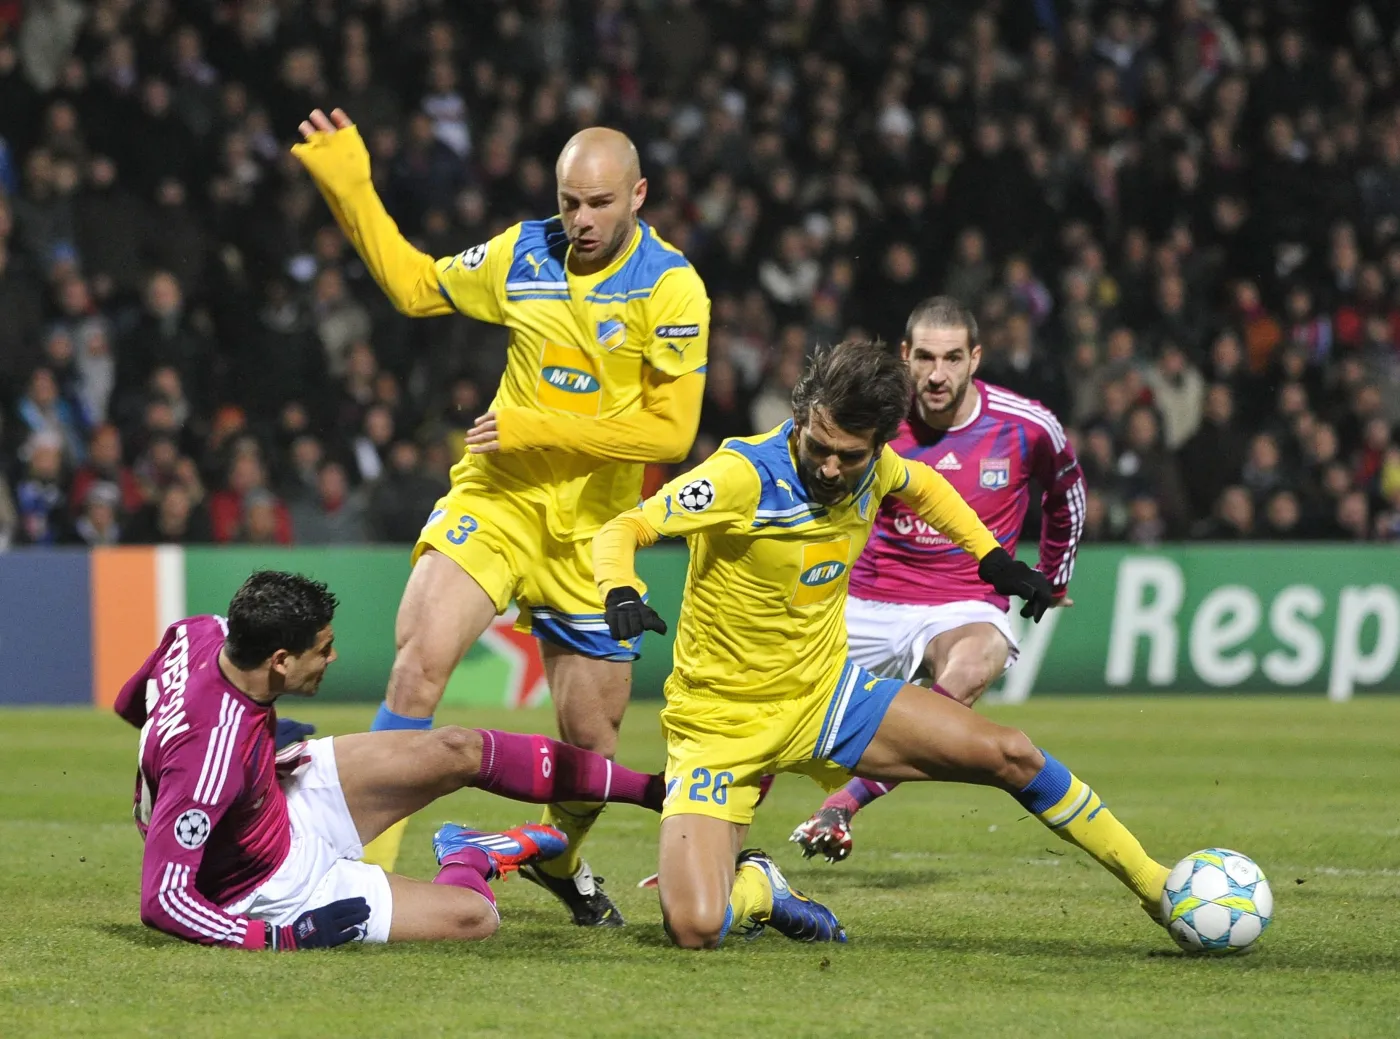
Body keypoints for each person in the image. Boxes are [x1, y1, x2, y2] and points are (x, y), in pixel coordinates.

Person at [592, 339, 1170, 948]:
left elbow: (925, 487)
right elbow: (627, 526)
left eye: (849, 455)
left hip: (824, 698)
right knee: (695, 927)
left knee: (1011, 754)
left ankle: (1158, 887)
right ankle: (760, 887)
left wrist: (992, 559)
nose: (830, 468)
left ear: (878, 444)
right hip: (720, 723)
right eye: (818, 447)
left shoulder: (878, 467)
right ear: (800, 419)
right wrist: (620, 589)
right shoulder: (741, 475)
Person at [292, 107, 711, 925]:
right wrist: (351, 186)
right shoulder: (524, 253)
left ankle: (560, 860)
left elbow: (671, 432)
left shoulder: (669, 286)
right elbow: (415, 287)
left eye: (599, 203)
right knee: (418, 665)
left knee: (591, 748)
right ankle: (354, 871)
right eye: (569, 202)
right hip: (497, 500)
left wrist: (537, 425)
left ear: (638, 196)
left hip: (593, 535)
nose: (581, 220)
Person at [113, 570, 666, 950]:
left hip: (276, 798)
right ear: (280, 661)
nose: (333, 657)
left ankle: (654, 791)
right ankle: (473, 854)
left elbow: (132, 703)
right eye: (322, 649)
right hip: (268, 887)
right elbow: (164, 900)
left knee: (456, 748)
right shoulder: (209, 762)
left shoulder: (199, 633)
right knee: (474, 918)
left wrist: (249, 756)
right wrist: (278, 938)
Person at [788, 297, 1083, 863]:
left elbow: (1066, 492)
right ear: (905, 355)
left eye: (952, 358)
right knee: (768, 696)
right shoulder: (874, 420)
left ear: (975, 358)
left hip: (963, 604)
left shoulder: (1026, 425)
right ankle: (715, 853)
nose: (937, 374)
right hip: (865, 598)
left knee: (973, 661)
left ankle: (842, 805)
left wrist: (1055, 574)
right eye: (924, 357)